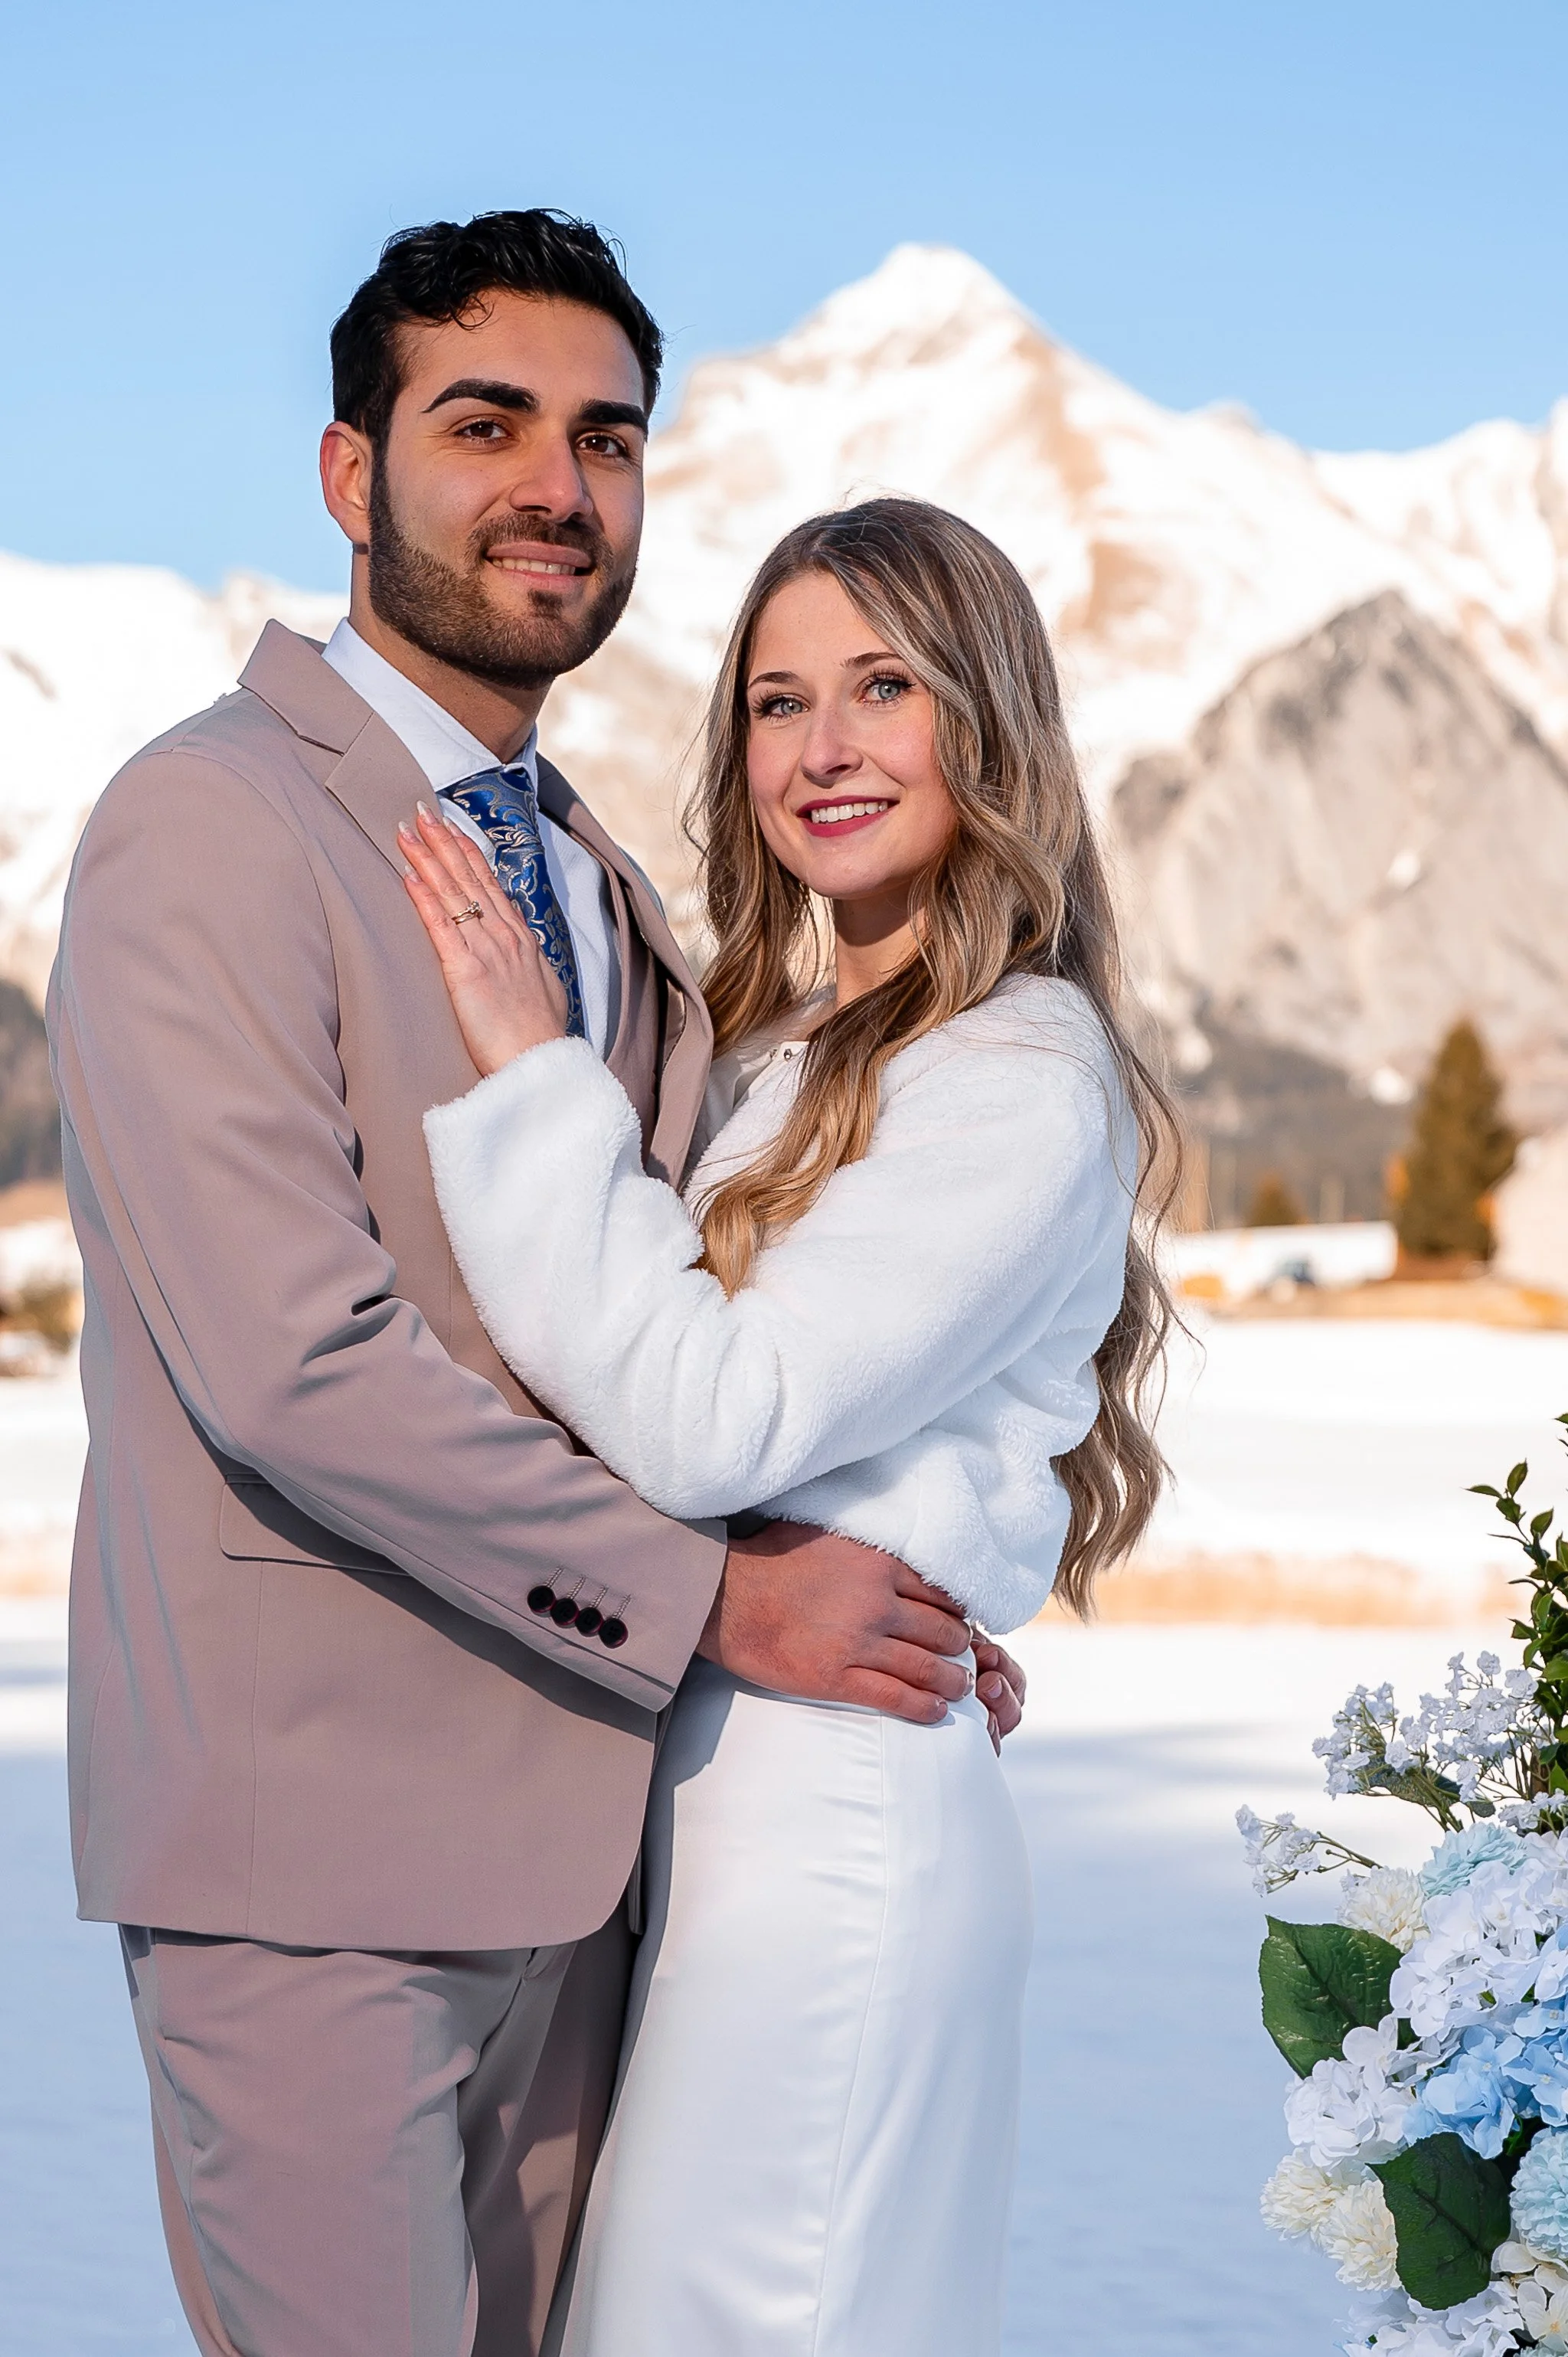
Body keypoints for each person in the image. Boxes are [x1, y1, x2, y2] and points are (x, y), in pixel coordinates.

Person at [47, 214, 1024, 2357]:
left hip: (595, 1861)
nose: (554, 487)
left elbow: (660, 1322)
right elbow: (292, 1362)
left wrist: (875, 1559)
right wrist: (714, 1597)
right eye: (483, 422)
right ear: (346, 471)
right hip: (313, 1875)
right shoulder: (205, 828)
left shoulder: (589, 868)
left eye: (605, 435)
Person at [400, 493, 1179, 2355]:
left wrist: (530, 1087)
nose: (820, 749)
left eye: (882, 687)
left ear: (984, 725)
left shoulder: (1014, 1077)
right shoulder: (787, 1049)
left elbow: (703, 1415)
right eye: (774, 700)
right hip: (726, 1816)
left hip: (834, 1839)